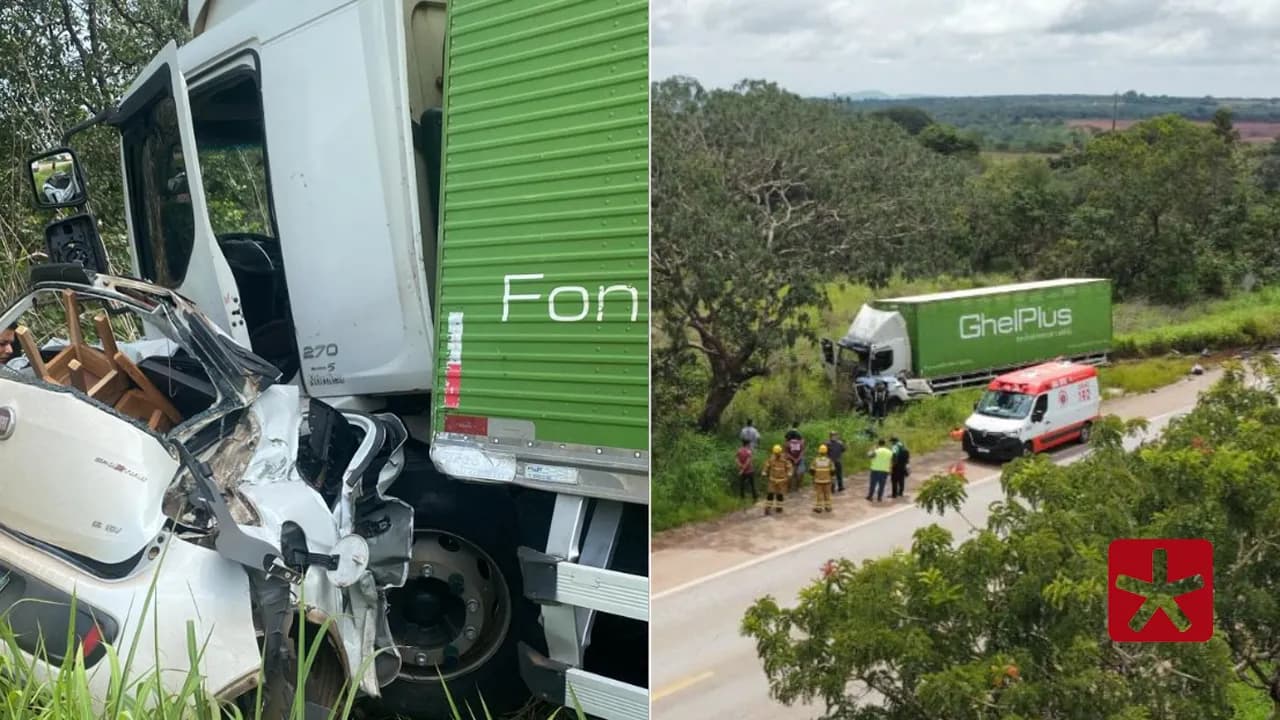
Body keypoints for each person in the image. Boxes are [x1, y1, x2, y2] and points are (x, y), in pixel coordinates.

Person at [762, 445, 793, 515]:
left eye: (777, 453)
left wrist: (790, 473)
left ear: (780, 452)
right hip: (772, 480)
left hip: (782, 480)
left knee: (780, 494)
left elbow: (789, 467)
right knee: (770, 494)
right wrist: (764, 471)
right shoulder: (771, 459)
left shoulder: (784, 459)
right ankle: (768, 508)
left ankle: (779, 507)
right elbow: (767, 465)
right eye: (775, 453)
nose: (776, 455)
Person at [809, 444, 835, 513]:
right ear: (826, 452)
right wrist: (831, 477)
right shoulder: (829, 460)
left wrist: (814, 477)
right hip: (827, 481)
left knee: (819, 494)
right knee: (827, 494)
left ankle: (819, 508)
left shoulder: (816, 460)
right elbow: (833, 471)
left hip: (818, 481)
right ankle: (828, 507)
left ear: (819, 452)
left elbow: (811, 470)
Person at [867, 438, 893, 502]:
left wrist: (872, 449)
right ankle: (879, 497)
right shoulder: (889, 452)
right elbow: (892, 461)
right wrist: (890, 469)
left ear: (878, 444)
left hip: (875, 469)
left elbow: (869, 456)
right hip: (885, 470)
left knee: (873, 484)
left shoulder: (876, 451)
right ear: (885, 444)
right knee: (882, 485)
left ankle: (870, 496)